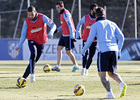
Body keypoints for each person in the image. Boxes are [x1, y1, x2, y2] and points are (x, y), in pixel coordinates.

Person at [81, 7, 127, 99]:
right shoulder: (112, 23)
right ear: (104, 15)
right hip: (114, 51)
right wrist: (118, 50)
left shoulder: (95, 25)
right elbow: (121, 37)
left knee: (102, 75)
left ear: (95, 15)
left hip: (104, 51)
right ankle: (122, 83)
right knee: (111, 73)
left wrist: (84, 50)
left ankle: (110, 94)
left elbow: (89, 41)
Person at [15, 6, 56, 82]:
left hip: (41, 41)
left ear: (36, 12)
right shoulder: (26, 21)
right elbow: (23, 34)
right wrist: (19, 45)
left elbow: (53, 25)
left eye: (32, 15)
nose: (30, 16)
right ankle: (32, 74)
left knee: (34, 61)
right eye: (29, 15)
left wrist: (51, 32)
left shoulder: (43, 17)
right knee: (33, 53)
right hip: (31, 39)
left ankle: (23, 78)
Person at [52, 1, 79, 72]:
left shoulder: (66, 14)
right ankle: (58, 66)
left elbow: (70, 24)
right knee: (58, 49)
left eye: (58, 7)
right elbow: (64, 25)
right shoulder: (62, 14)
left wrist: (72, 36)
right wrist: (57, 30)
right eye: (56, 8)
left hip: (68, 36)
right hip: (64, 35)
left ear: (62, 6)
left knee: (68, 52)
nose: (57, 9)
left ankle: (76, 65)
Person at [76, 3, 98, 75]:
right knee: (85, 54)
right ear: (91, 10)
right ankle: (83, 68)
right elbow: (79, 24)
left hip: (94, 40)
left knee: (91, 55)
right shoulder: (85, 17)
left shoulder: (98, 18)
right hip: (86, 39)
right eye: (95, 9)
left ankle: (87, 69)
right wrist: (77, 33)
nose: (97, 10)